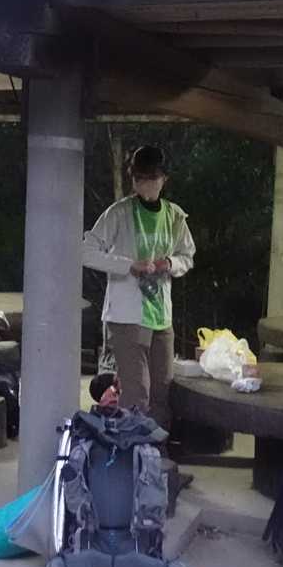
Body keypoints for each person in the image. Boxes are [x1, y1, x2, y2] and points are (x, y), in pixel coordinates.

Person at [82, 145, 196, 436]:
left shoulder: (174, 215)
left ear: (164, 179)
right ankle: (129, 451)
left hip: (161, 316)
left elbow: (187, 255)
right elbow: (85, 251)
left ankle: (155, 452)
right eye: (139, 178)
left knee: (162, 391)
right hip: (127, 317)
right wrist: (128, 266)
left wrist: (169, 263)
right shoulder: (118, 213)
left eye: (151, 177)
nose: (145, 184)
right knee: (137, 392)